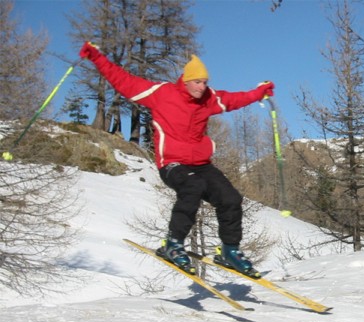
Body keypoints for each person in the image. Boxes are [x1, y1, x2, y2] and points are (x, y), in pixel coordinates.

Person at [79, 42, 274, 277]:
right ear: (186, 80)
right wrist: (96, 57)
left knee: (230, 198)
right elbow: (124, 81)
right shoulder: (162, 93)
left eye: (205, 82)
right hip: (172, 164)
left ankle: (229, 250)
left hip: (201, 164)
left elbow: (233, 99)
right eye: (197, 82)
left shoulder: (208, 98)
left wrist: (259, 92)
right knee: (192, 187)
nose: (202, 87)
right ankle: (173, 244)